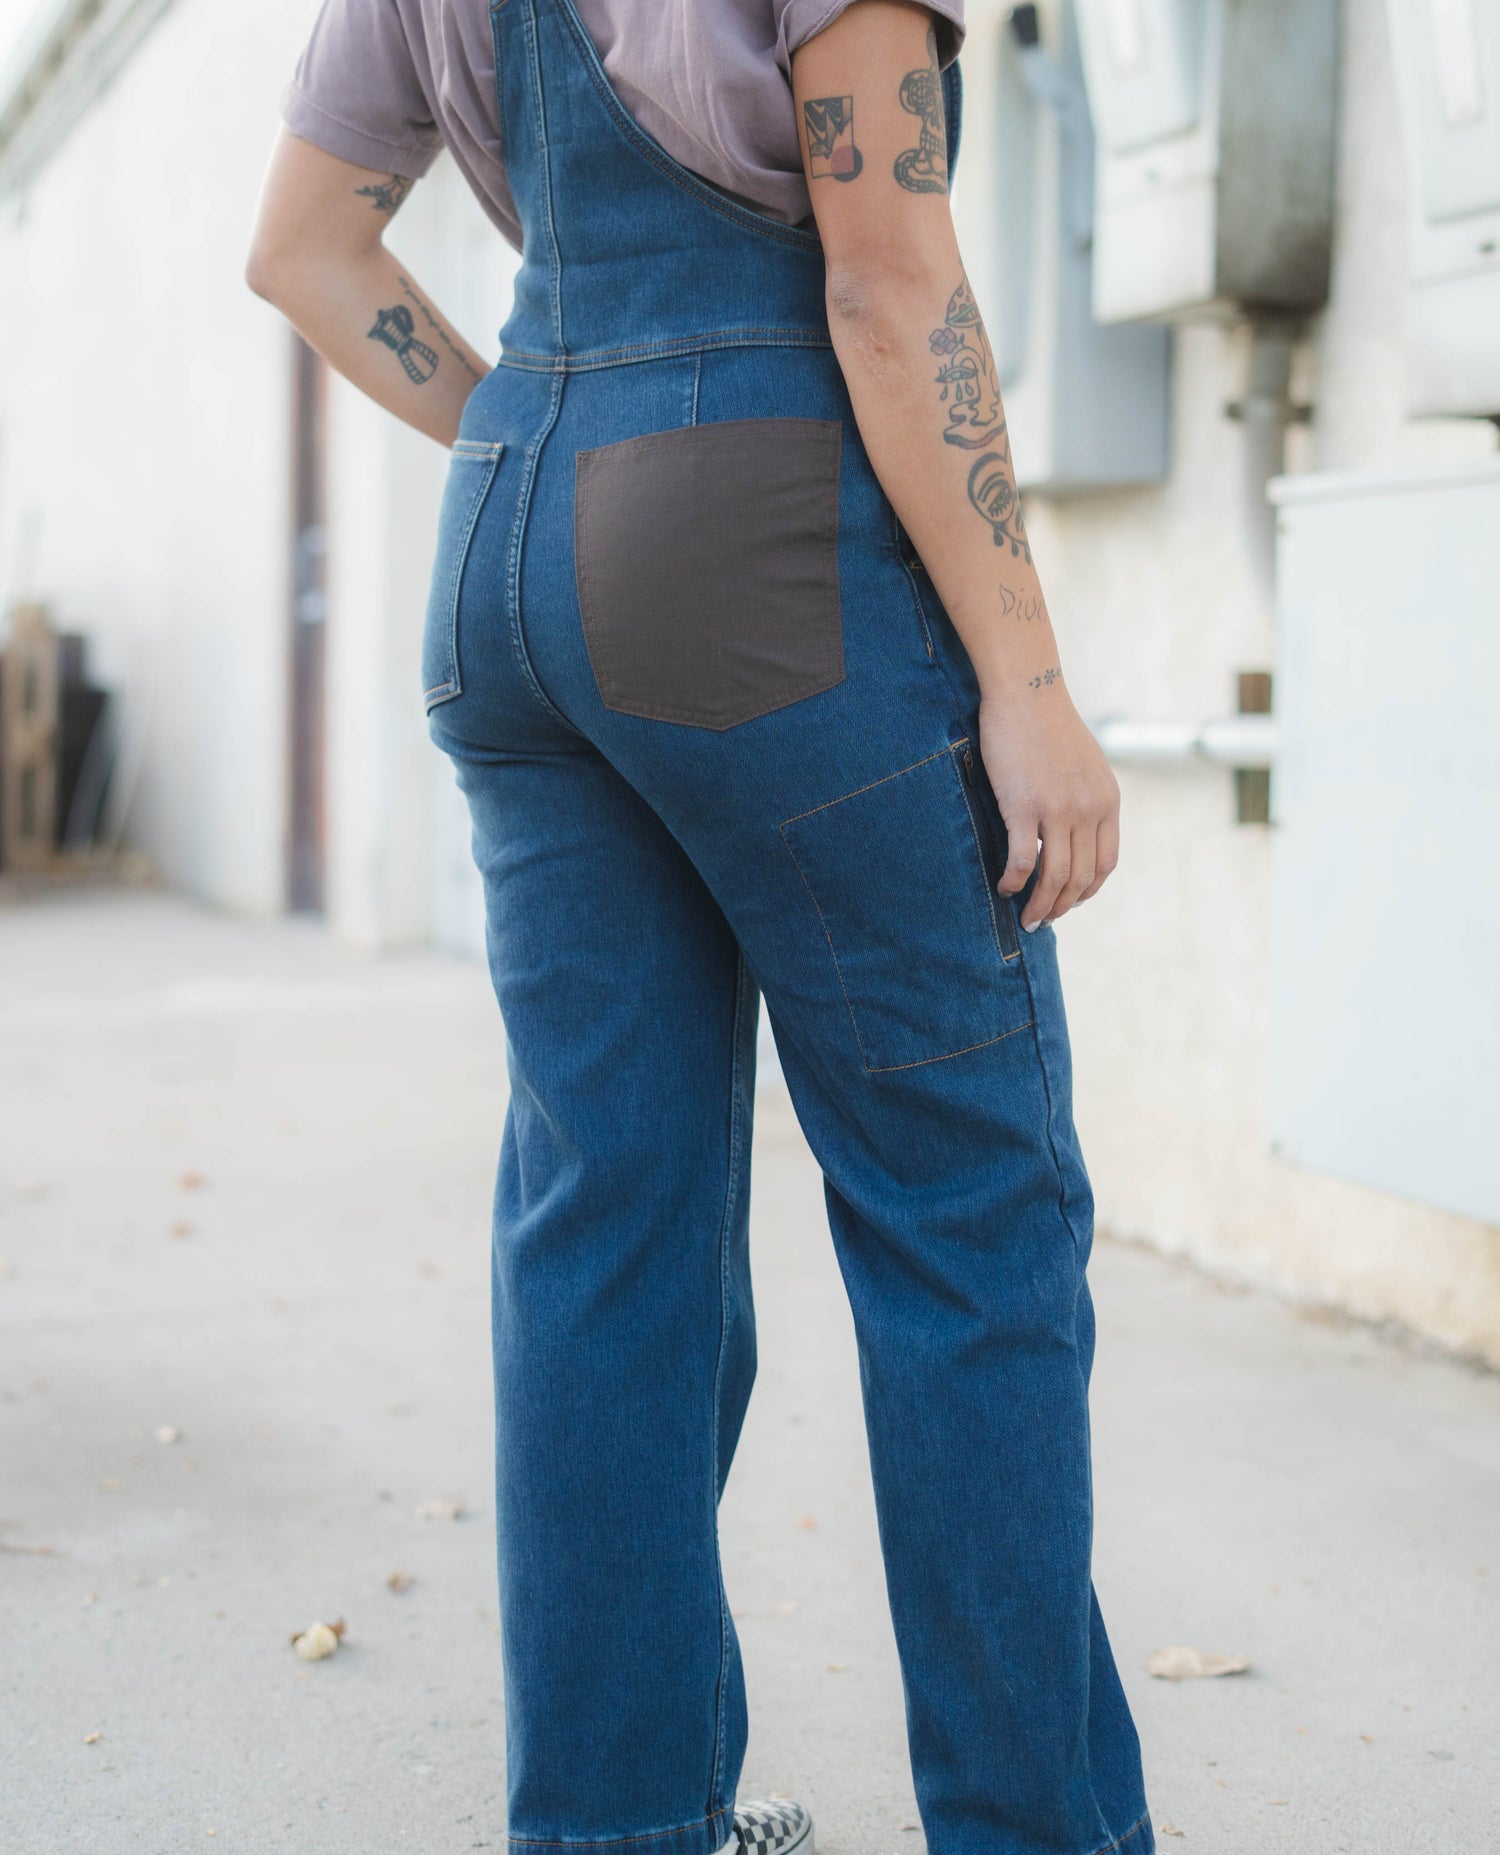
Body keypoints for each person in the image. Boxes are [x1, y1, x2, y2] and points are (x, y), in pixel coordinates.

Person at [247, 2, 1151, 1852]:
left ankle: (612, 1827)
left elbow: (306, 249)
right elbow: (888, 292)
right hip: (763, 542)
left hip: (510, 548)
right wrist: (1029, 679)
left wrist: (536, 430)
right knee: (967, 1214)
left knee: (605, 1225)